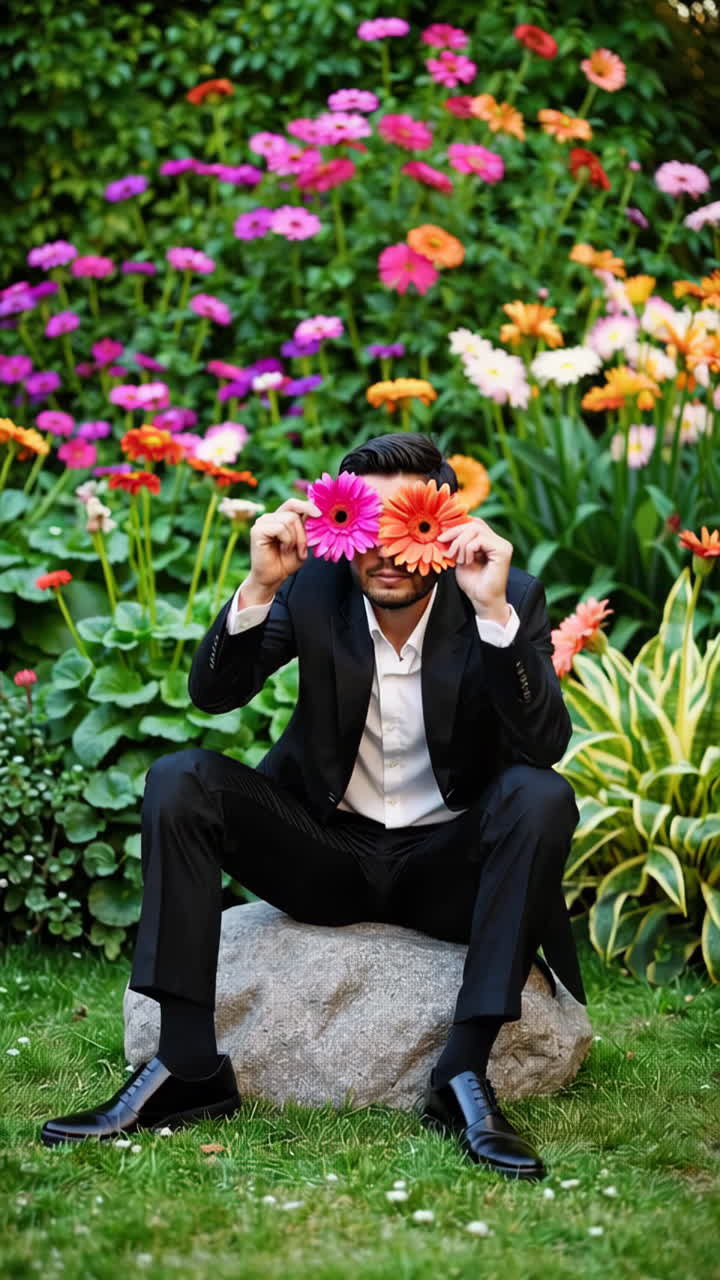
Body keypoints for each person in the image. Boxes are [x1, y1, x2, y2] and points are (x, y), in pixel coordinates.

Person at [41, 433, 585, 1180]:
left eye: (408, 524)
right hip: (328, 858)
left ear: (443, 523)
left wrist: (493, 616)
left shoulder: (503, 594)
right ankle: (188, 1067)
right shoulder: (314, 587)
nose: (386, 550)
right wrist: (260, 587)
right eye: (368, 524)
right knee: (180, 776)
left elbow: (545, 742)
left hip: (449, 868)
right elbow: (214, 695)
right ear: (340, 523)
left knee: (540, 794)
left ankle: (462, 1076)